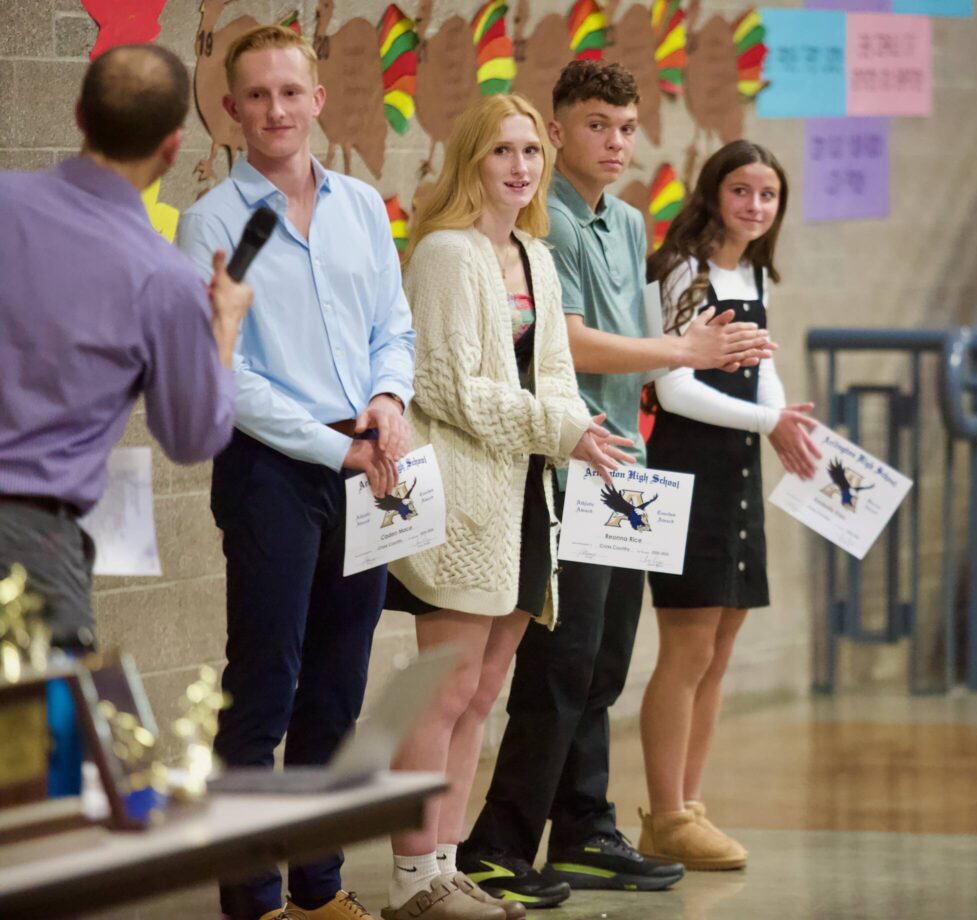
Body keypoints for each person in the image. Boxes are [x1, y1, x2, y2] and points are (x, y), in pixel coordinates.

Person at [459, 61, 774, 905]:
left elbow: (630, 345)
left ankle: (587, 828)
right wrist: (683, 351)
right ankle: (496, 842)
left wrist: (692, 354)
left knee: (603, 664)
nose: (615, 142)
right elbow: (571, 344)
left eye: (627, 128)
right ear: (558, 132)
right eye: (597, 125)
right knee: (559, 666)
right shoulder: (542, 222)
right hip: (561, 463)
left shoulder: (630, 223)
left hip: (626, 470)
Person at [177, 25, 415, 920]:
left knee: (337, 695)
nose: (276, 110)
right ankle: (254, 901)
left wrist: (389, 400)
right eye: (257, 96)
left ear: (319, 100)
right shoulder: (215, 223)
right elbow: (224, 376)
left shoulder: (360, 205)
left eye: (291, 92)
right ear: (232, 111)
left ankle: (320, 890)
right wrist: (337, 446)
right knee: (264, 692)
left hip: (368, 465)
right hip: (272, 472)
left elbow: (394, 321)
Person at [383, 92, 633, 920]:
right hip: (465, 495)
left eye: (531, 151)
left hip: (531, 495)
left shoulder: (536, 252)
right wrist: (558, 429)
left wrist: (569, 429)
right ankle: (412, 877)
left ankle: (447, 868)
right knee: (445, 692)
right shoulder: (447, 254)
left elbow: (556, 373)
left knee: (484, 695)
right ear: (472, 162)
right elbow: (447, 387)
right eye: (502, 152)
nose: (521, 167)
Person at [0, 44, 251, 651]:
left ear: (80, 114)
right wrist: (222, 332)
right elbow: (192, 436)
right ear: (172, 148)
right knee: (24, 747)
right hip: (29, 551)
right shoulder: (163, 279)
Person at [636, 140, 820, 869]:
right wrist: (766, 424)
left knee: (720, 648)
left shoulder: (752, 272)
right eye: (741, 191)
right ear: (713, 193)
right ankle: (665, 813)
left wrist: (786, 424)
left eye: (768, 195)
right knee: (686, 648)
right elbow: (673, 384)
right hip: (685, 468)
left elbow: (762, 365)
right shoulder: (679, 268)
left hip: (737, 470)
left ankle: (690, 804)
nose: (755, 206)